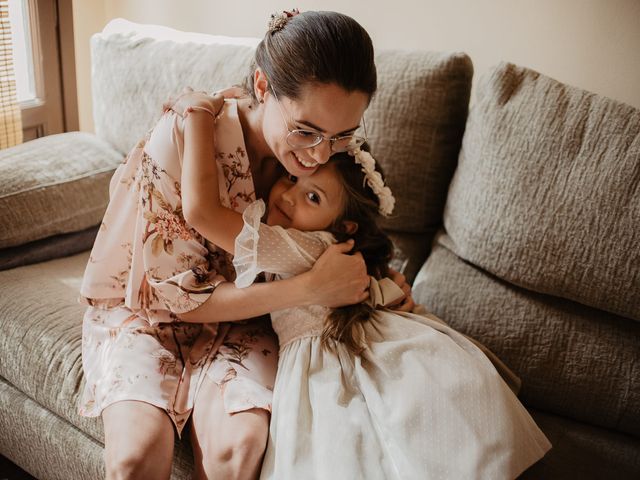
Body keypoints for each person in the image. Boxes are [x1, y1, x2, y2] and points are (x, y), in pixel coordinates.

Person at [79, 9, 412, 480]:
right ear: (262, 86)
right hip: (151, 311)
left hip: (250, 319)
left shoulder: (322, 161)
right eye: (306, 130)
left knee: (240, 450)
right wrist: (312, 288)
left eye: (340, 136)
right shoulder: (186, 134)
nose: (317, 156)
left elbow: (341, 231)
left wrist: (379, 278)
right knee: (136, 456)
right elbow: (178, 299)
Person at [176, 129, 552, 478]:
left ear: (345, 227)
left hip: (328, 357)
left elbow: (205, 215)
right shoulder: (321, 246)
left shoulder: (306, 247)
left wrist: (197, 122)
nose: (288, 196)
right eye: (292, 178)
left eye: (313, 197)